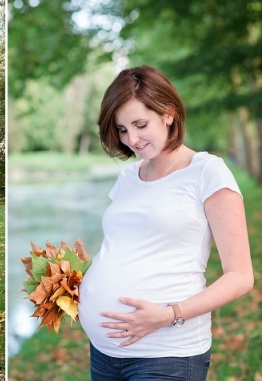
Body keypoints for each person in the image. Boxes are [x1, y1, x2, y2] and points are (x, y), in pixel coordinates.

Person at [78, 65, 253, 380]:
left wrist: (169, 315)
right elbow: (124, 247)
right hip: (104, 354)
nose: (131, 138)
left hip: (167, 355)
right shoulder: (128, 176)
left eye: (140, 124)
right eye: (121, 129)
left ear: (168, 113)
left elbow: (241, 277)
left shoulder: (207, 172)